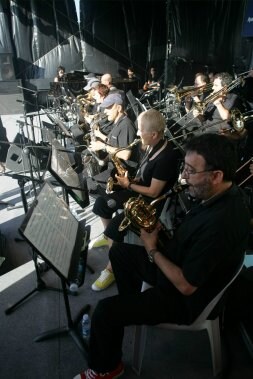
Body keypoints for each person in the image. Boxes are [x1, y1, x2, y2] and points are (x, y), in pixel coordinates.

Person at [73, 133, 251, 379]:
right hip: (178, 266)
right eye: (184, 168)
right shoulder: (221, 195)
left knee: (104, 311)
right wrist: (159, 234)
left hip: (183, 299)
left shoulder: (221, 224)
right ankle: (130, 309)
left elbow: (186, 285)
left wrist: (152, 247)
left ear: (216, 176)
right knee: (120, 251)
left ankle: (106, 369)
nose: (184, 177)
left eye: (190, 170)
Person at [90, 108, 182, 291]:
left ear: (154, 134)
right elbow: (145, 176)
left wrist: (128, 185)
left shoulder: (167, 157)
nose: (137, 133)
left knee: (116, 227)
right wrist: (131, 179)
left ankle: (111, 267)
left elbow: (154, 192)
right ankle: (110, 239)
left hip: (152, 203)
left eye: (141, 130)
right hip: (140, 193)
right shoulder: (152, 146)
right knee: (102, 203)